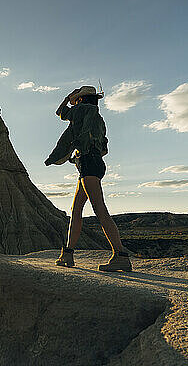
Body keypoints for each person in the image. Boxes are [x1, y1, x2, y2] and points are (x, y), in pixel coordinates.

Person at [52, 86, 132, 272]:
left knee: (99, 208)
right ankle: (68, 254)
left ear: (82, 99)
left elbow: (61, 113)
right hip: (93, 163)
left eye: (78, 98)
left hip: (88, 163)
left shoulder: (82, 110)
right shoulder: (98, 118)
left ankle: (120, 255)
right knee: (76, 209)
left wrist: (67, 97)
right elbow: (104, 148)